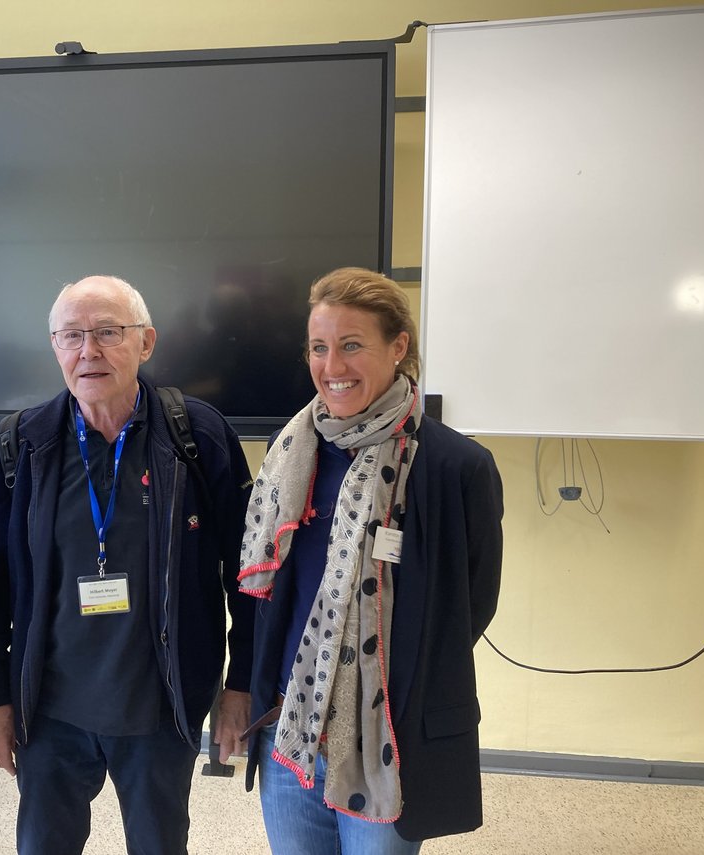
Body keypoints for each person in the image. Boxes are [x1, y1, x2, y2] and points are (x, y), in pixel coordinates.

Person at [0, 274, 255, 855]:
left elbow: (247, 574)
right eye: (71, 335)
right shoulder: (22, 446)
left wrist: (240, 685)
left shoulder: (197, 435)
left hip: (160, 707)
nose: (87, 351)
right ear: (55, 347)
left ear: (146, 343)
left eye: (107, 333)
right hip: (49, 710)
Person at [239, 267, 503, 853]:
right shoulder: (292, 454)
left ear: (398, 346)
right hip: (292, 726)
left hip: (387, 737)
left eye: (352, 345)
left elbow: (472, 605)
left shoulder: (457, 467)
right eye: (319, 347)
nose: (332, 366)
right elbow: (265, 596)